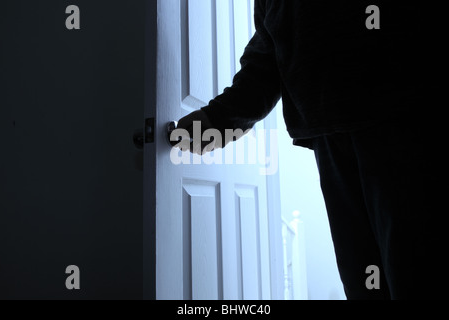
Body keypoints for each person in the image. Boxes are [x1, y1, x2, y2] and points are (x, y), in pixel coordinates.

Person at [177, 1, 445, 300]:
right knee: (365, 278)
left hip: (404, 124)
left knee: (417, 272)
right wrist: (214, 122)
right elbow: (265, 63)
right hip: (329, 133)